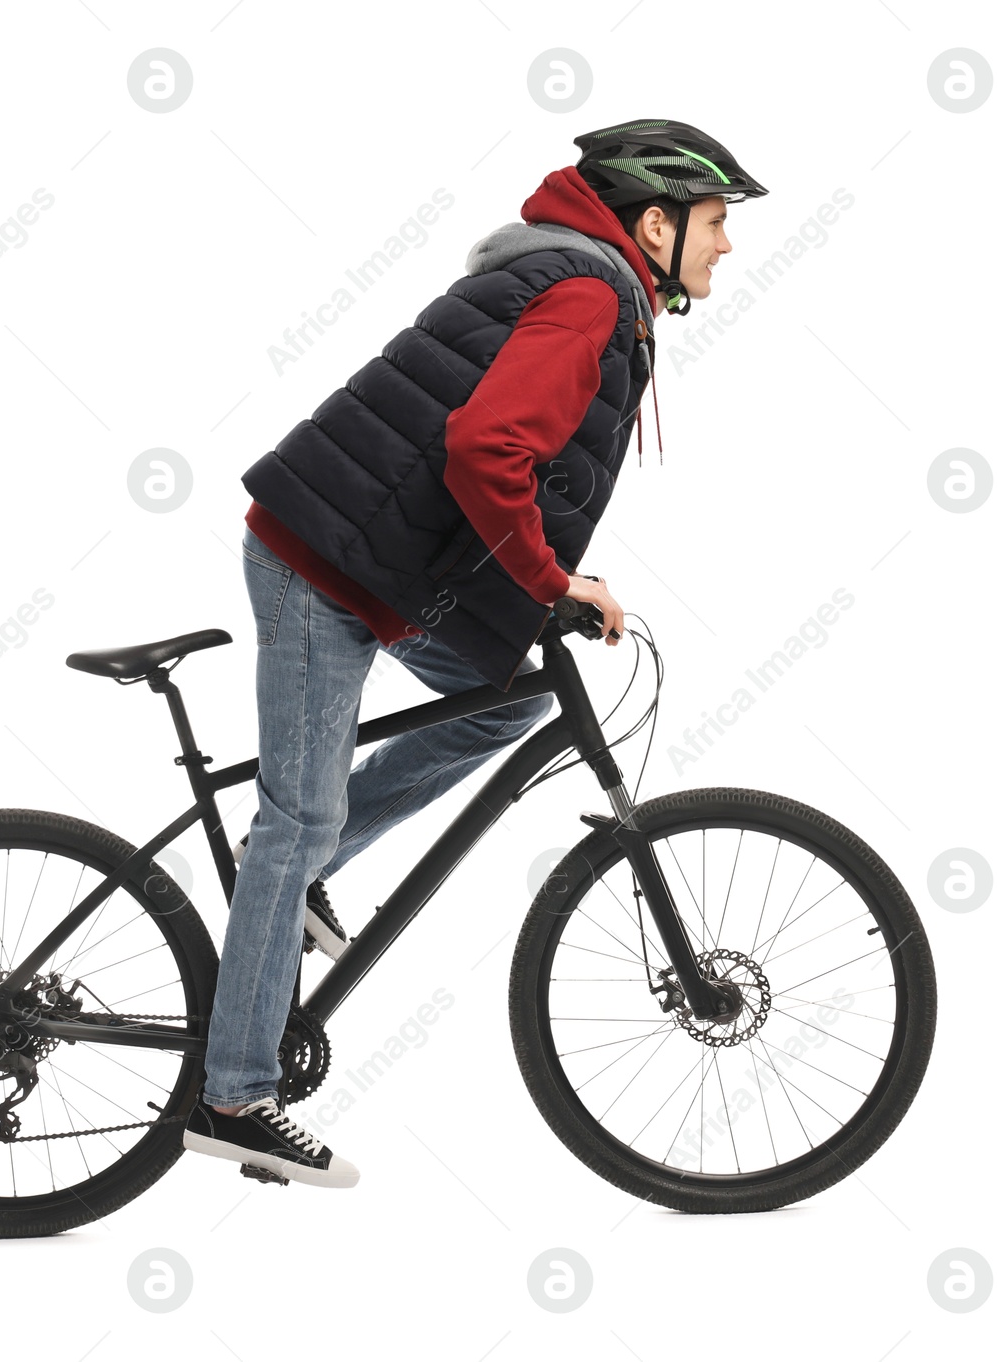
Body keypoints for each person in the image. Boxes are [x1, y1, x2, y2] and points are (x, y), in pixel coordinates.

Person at [182, 119, 767, 1188]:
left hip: (381, 563)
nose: (727, 245)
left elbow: (495, 457)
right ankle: (233, 1095)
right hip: (325, 563)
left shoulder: (582, 281)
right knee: (295, 819)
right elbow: (485, 448)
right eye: (718, 222)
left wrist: (537, 584)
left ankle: (306, 879)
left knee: (501, 703)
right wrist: (550, 583)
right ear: (654, 221)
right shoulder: (591, 295)